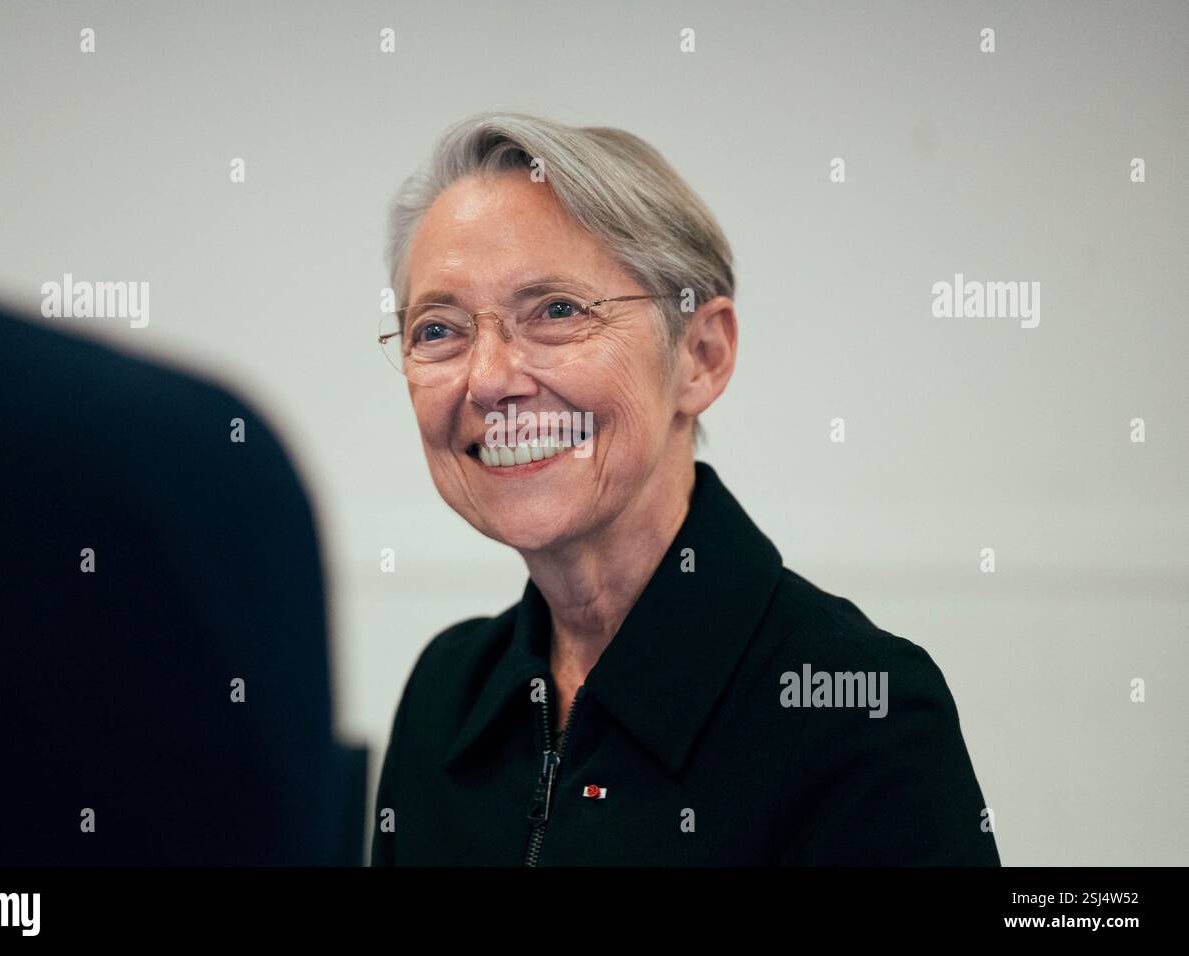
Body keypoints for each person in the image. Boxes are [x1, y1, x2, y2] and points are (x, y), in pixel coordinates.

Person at [370, 113, 999, 866]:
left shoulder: (856, 709)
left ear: (701, 355)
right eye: (438, 329)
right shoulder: (447, 695)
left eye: (558, 311)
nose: (490, 379)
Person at [0, 250, 351, 865]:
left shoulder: (184, 456)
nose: (491, 377)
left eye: (531, 315)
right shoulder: (192, 451)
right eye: (436, 329)